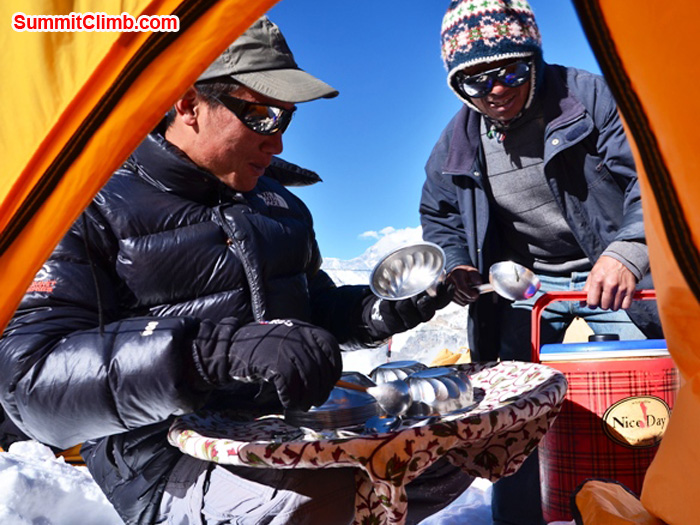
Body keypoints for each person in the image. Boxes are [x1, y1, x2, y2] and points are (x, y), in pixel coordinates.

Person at [0, 16, 472, 525]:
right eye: (261, 115)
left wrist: (393, 309)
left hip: (282, 428)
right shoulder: (88, 203)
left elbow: (312, 308)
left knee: (446, 451)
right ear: (187, 103)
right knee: (327, 494)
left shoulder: (280, 206)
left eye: (285, 119)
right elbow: (31, 380)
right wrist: (212, 354)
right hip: (166, 456)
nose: (279, 143)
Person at [419, 1, 663, 524]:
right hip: (524, 286)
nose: (496, 91)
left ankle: (649, 504)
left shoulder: (590, 97)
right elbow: (439, 217)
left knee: (644, 393)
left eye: (509, 71)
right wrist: (458, 265)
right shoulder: (455, 146)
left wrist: (628, 252)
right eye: (474, 83)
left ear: (534, 57)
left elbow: (652, 175)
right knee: (514, 413)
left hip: (611, 268)